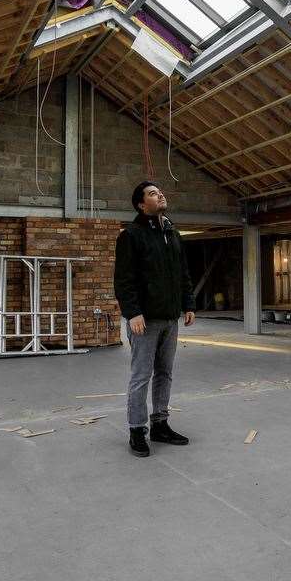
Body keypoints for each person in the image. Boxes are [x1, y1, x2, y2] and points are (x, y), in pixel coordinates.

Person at [113, 181, 195, 457]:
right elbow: (124, 280)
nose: (159, 195)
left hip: (170, 318)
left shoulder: (172, 233)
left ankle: (160, 424)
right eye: (152, 193)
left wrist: (188, 304)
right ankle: (137, 430)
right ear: (140, 204)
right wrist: (132, 312)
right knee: (141, 376)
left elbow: (183, 272)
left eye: (159, 191)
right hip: (145, 320)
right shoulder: (131, 235)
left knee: (165, 373)